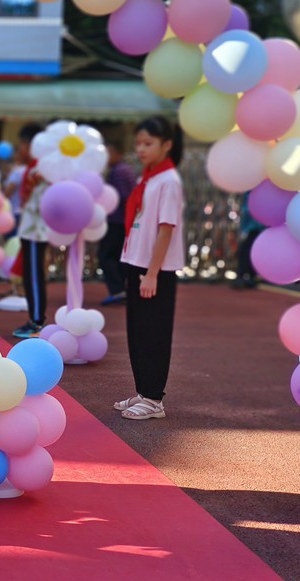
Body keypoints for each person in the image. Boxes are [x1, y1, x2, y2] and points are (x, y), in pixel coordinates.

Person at [114, 116, 185, 421]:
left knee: (154, 333)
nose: (141, 149)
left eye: (148, 143)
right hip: (137, 263)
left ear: (166, 145)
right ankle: (144, 391)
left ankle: (155, 398)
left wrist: (153, 273)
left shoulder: (169, 181)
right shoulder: (150, 178)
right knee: (137, 332)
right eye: (138, 143)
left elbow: (166, 229)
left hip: (154, 270)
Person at [10, 123, 48, 339]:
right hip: (31, 228)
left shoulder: (40, 169)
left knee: (34, 276)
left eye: (23, 145)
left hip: (36, 230)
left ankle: (37, 320)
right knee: (31, 274)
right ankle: (35, 317)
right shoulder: (35, 167)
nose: (21, 150)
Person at [98, 143, 137, 306]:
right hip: (123, 220)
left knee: (106, 256)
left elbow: (121, 196)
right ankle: (122, 289)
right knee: (118, 256)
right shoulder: (124, 170)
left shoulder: (119, 172)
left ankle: (118, 290)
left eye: (110, 152)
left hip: (116, 220)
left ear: (118, 154)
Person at [232, 192, 264, 289]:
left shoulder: (253, 192)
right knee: (246, 250)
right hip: (252, 226)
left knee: (248, 250)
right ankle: (245, 275)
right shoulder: (249, 193)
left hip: (255, 226)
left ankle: (247, 275)